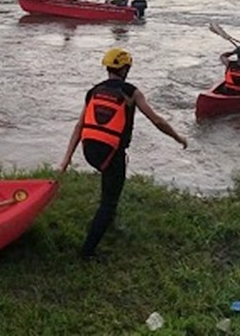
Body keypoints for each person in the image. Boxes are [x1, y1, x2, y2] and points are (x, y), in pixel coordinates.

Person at [59, 47, 188, 261]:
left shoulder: (94, 91)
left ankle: (108, 221)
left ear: (108, 68)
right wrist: (178, 137)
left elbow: (79, 125)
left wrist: (66, 161)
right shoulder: (131, 92)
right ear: (125, 68)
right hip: (111, 152)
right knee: (108, 202)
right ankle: (87, 253)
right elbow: (156, 120)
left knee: (110, 188)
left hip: (89, 150)